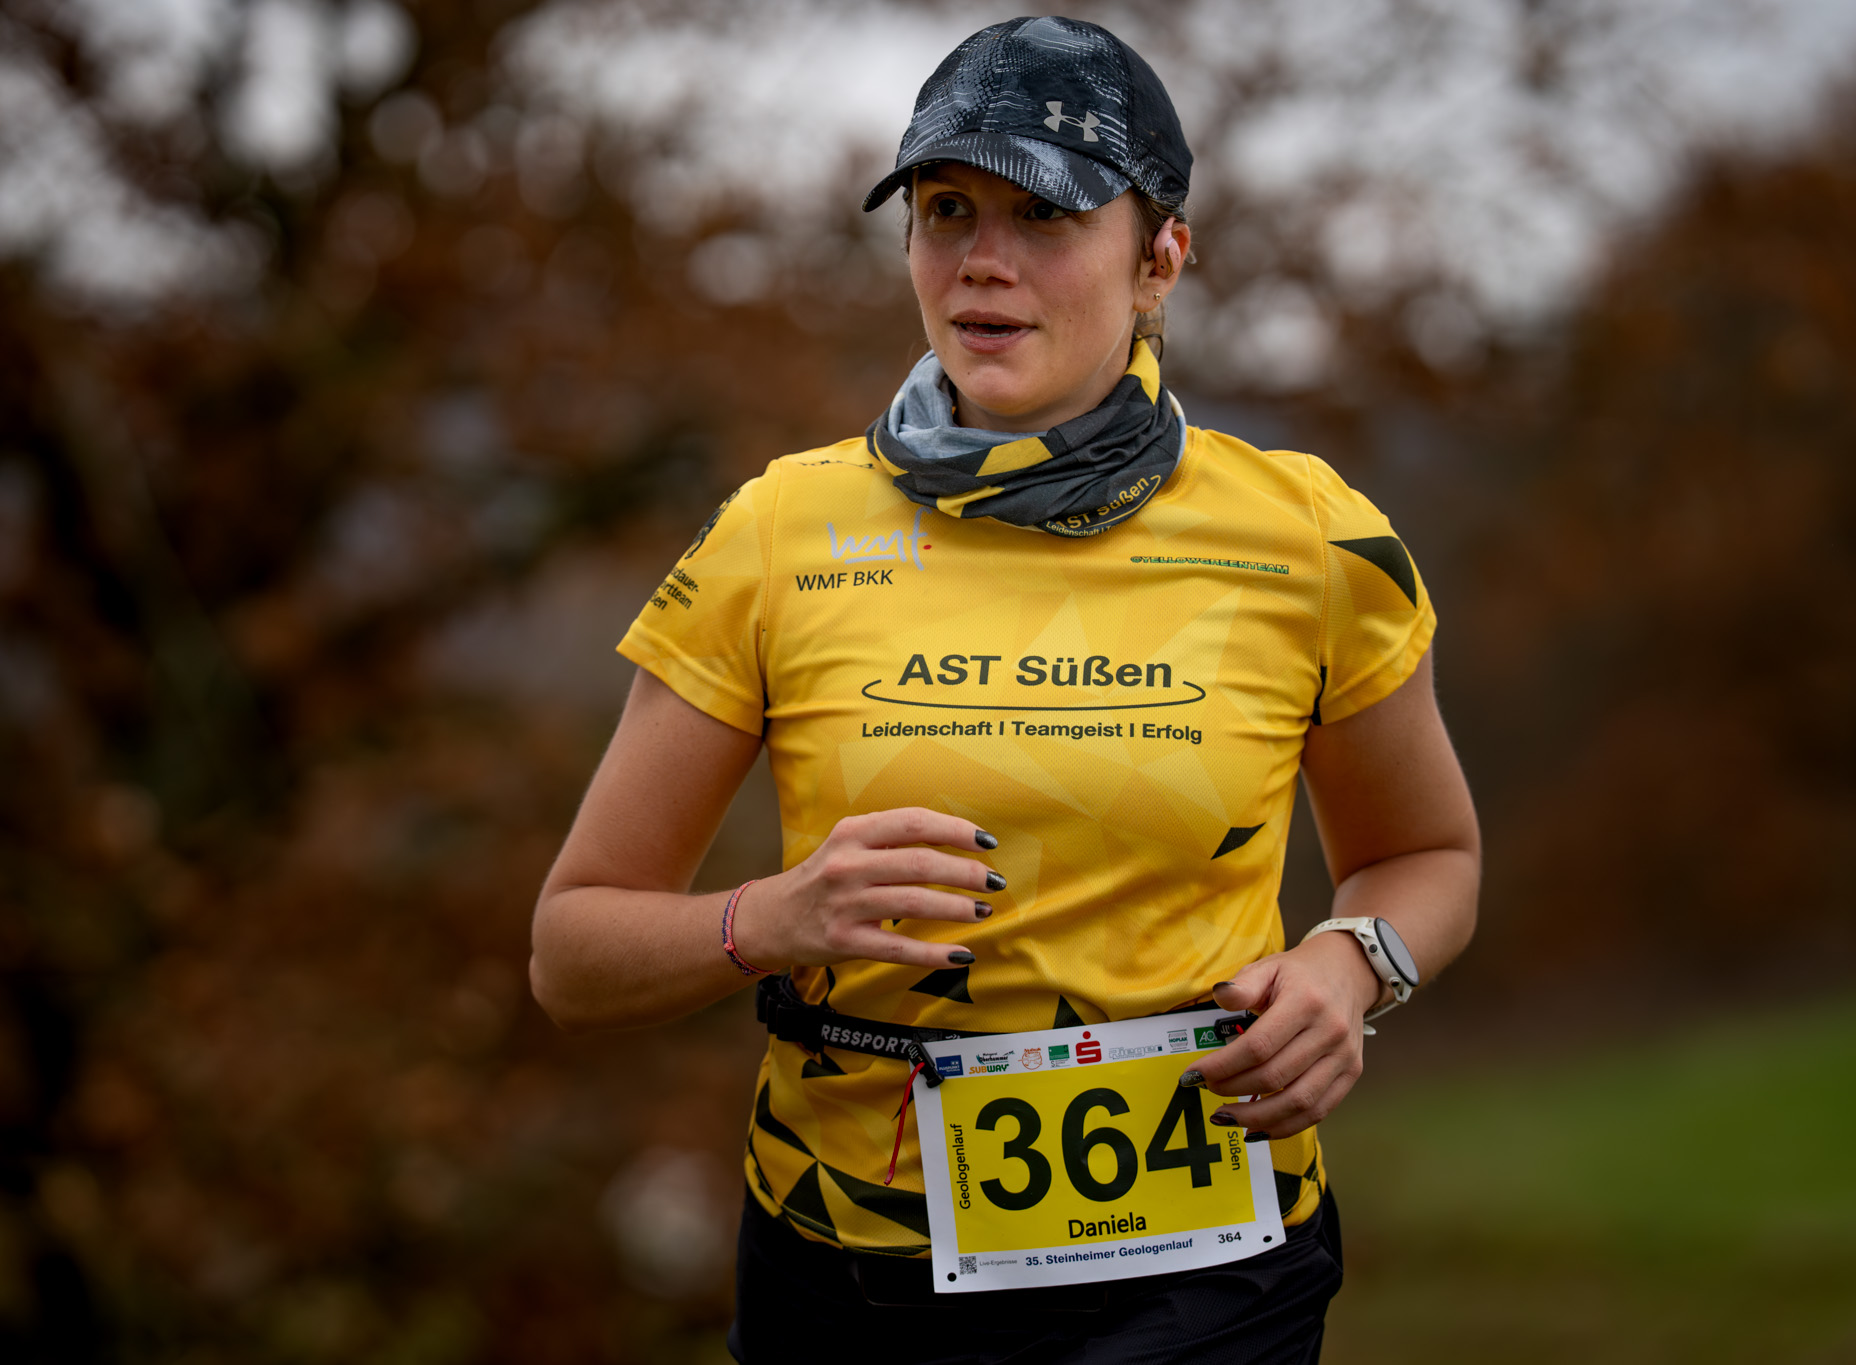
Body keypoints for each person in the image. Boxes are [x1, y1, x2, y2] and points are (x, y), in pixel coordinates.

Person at [532, 15, 1480, 1363]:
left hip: (1206, 1271)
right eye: (945, 210)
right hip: (849, 1271)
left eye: (1045, 213)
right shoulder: (779, 530)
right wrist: (774, 917)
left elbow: (1427, 856)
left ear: (1162, 257)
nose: (983, 259)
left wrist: (1351, 960)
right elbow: (572, 955)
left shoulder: (1313, 536)